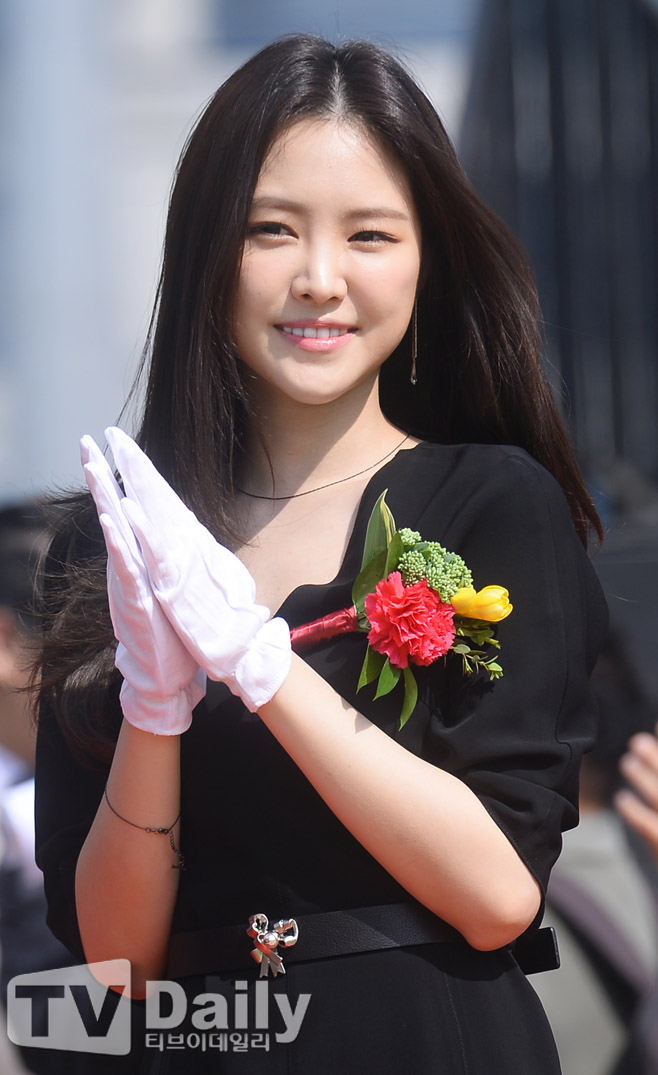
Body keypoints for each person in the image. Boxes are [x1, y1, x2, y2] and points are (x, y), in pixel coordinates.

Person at [33, 34, 608, 1073]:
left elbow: (497, 894)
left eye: (370, 235)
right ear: (206, 250)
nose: (319, 278)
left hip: (429, 1040)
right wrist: (154, 708)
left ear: (427, 258)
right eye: (271, 230)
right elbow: (116, 966)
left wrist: (262, 667)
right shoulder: (112, 543)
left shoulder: (492, 504)